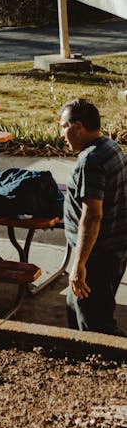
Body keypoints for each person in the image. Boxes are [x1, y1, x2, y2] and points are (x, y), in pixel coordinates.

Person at [60, 98, 127, 335]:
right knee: (74, 305)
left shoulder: (91, 160)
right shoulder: (111, 147)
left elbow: (92, 216)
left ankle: (110, 363)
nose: (62, 134)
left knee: (97, 325)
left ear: (78, 126)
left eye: (64, 126)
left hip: (98, 257)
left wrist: (79, 264)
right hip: (112, 248)